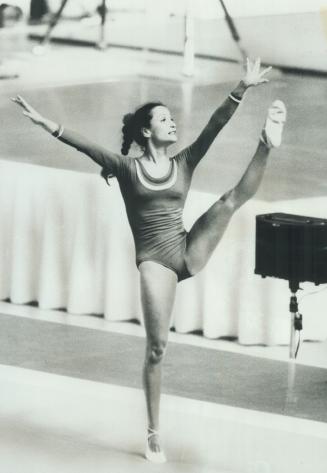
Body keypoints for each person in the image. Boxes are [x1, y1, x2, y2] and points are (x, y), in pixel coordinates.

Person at [12, 58, 286, 463]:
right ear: (146, 130)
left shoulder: (184, 162)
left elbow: (215, 124)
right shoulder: (127, 168)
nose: (173, 123)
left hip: (186, 250)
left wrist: (242, 87)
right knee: (157, 348)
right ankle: (154, 433)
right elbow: (85, 146)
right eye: (164, 119)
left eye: (173, 119)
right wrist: (46, 124)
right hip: (155, 262)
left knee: (230, 200)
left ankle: (266, 143)